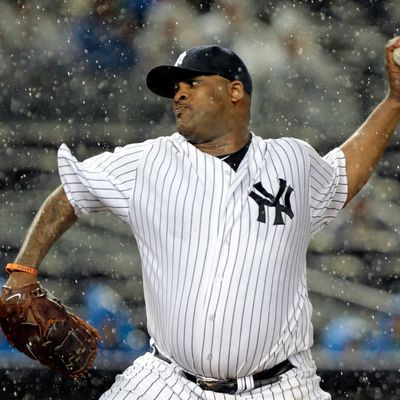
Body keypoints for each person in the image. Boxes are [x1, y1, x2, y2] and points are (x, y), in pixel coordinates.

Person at [2, 38, 400, 400]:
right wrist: (23, 269)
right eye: (175, 89)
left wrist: (395, 101)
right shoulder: (147, 162)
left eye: (191, 83)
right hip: (169, 381)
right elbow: (70, 193)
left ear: (234, 91)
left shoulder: (292, 161)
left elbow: (344, 172)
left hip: (282, 387)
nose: (179, 94)